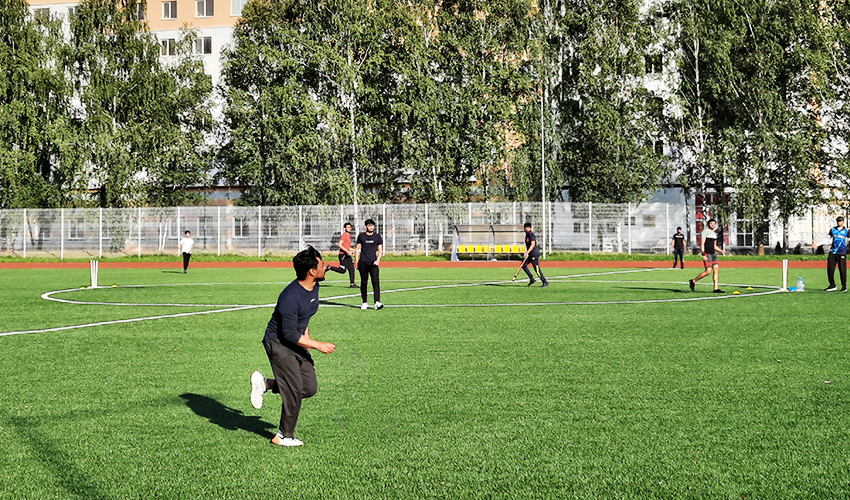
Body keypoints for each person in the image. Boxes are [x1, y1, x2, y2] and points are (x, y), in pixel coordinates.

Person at [250, 246, 337, 447]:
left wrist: (307, 342)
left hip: (297, 341)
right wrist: (316, 345)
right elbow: (288, 333)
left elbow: (304, 317)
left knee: (309, 387)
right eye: (322, 264)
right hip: (278, 342)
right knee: (295, 389)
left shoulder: (314, 286)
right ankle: (283, 436)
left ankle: (266, 384)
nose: (326, 266)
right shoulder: (290, 297)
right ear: (312, 271)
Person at [812, 216, 848, 292]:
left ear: (843, 222)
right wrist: (818, 244)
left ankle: (844, 286)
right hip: (833, 251)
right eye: (838, 221)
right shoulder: (833, 230)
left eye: (840, 221)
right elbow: (827, 239)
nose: (839, 222)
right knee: (830, 269)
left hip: (842, 252)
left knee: (842, 270)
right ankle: (832, 285)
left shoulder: (846, 231)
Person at [689, 218, 725, 293]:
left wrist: (721, 250)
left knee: (716, 270)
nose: (713, 225)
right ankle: (693, 281)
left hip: (713, 254)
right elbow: (702, 243)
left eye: (714, 224)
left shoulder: (714, 234)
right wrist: (703, 253)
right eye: (711, 223)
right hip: (707, 253)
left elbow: (714, 245)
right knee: (708, 271)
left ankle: (716, 288)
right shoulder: (705, 232)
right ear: (708, 224)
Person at [354, 218, 384, 310]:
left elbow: (380, 250)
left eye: (373, 225)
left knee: (375, 282)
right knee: (364, 282)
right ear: (366, 226)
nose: (371, 227)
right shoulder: (361, 236)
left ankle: (377, 302)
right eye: (370, 225)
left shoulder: (377, 237)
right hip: (363, 262)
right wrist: (356, 261)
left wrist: (378, 260)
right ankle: (364, 302)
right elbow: (357, 249)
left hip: (373, 263)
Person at [521, 222, 549, 287]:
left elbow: (533, 244)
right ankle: (531, 278)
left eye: (527, 227)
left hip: (534, 253)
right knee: (524, 265)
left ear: (530, 228)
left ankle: (544, 281)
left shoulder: (531, 235)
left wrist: (527, 252)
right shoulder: (527, 235)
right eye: (525, 227)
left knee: (536, 268)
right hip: (530, 253)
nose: (526, 229)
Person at [338, 222, 357, 288]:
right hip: (343, 255)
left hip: (347, 255)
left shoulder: (348, 236)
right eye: (347, 227)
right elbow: (340, 245)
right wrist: (347, 251)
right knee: (342, 270)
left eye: (350, 227)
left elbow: (347, 247)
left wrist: (354, 250)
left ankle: (352, 284)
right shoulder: (344, 235)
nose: (349, 228)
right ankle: (329, 267)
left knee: (351, 268)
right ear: (345, 228)